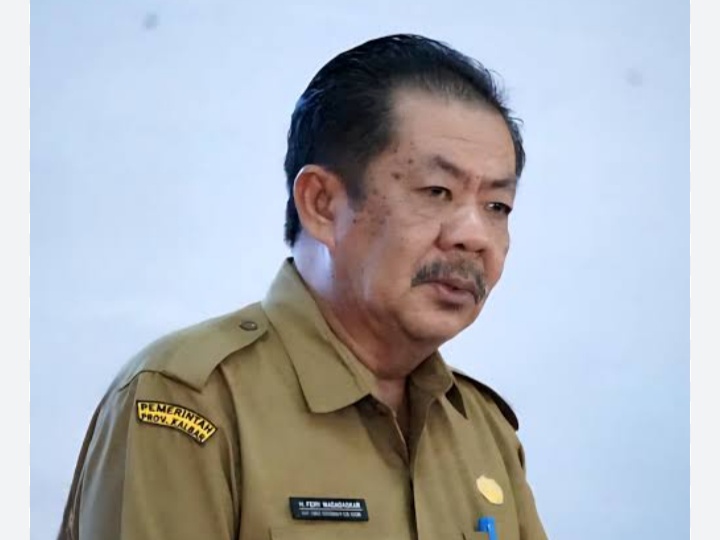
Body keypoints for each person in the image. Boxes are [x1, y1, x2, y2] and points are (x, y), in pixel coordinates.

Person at [58, 33, 548, 540]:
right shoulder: (191, 401)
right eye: (437, 191)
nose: (474, 236)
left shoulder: (482, 429)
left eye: (498, 206)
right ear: (322, 204)